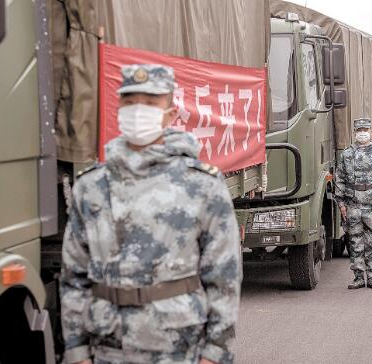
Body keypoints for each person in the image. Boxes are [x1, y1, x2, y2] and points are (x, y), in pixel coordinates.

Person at [60, 64, 242, 364]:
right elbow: (74, 276)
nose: (137, 110)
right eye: (130, 102)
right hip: (108, 349)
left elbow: (224, 275)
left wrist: (216, 352)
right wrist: (77, 350)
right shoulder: (91, 186)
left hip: (180, 350)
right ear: (118, 109)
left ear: (170, 114)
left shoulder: (201, 185)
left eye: (149, 102)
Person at [335, 118, 372, 290]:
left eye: (365, 129)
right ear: (354, 132)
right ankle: (359, 277)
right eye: (359, 129)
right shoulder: (346, 154)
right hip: (353, 206)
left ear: (370, 131)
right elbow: (340, 179)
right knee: (355, 243)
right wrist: (341, 204)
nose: (362, 132)